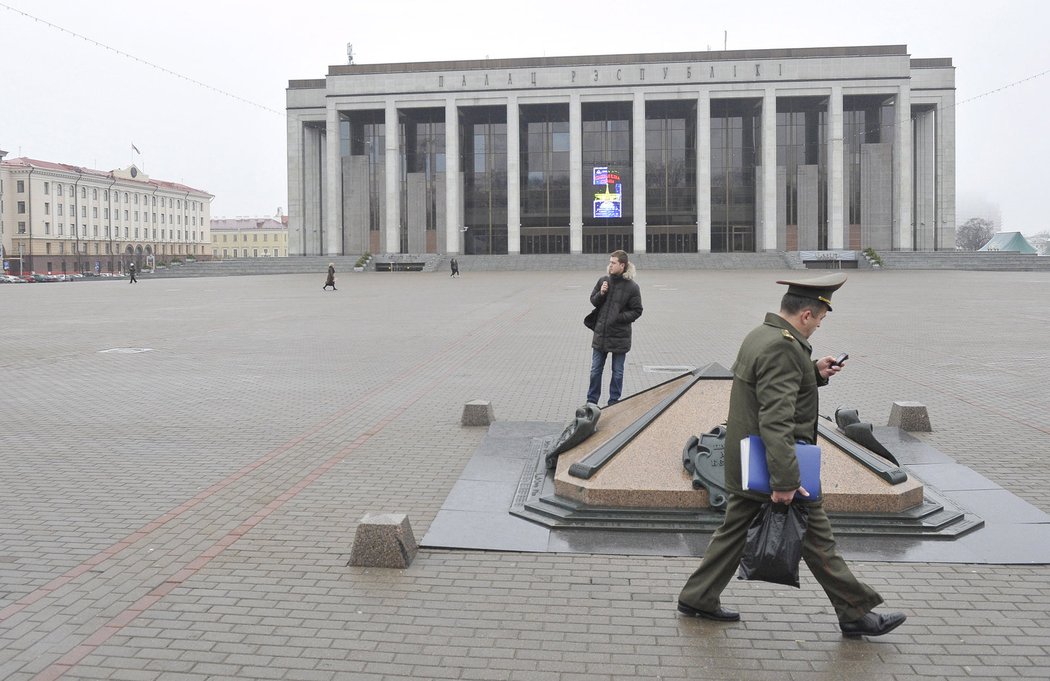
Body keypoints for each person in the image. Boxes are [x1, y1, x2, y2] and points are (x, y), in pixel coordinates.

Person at [677, 273, 906, 638]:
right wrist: (785, 481)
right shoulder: (784, 347)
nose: (817, 326)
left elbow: (768, 391)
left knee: (734, 532)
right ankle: (855, 611)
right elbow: (775, 417)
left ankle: (698, 596)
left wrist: (812, 373)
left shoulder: (761, 335)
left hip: (749, 460)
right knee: (818, 538)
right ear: (805, 315)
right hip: (776, 465)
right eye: (819, 319)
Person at [586, 250, 643, 407]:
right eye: (610, 262)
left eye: (613, 263)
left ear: (622, 265)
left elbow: (637, 311)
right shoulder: (603, 281)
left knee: (617, 372)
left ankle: (613, 403)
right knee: (595, 371)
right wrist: (602, 293)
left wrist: (618, 318)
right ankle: (591, 401)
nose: (609, 265)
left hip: (620, 335)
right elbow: (593, 300)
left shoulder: (632, 287)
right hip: (601, 334)